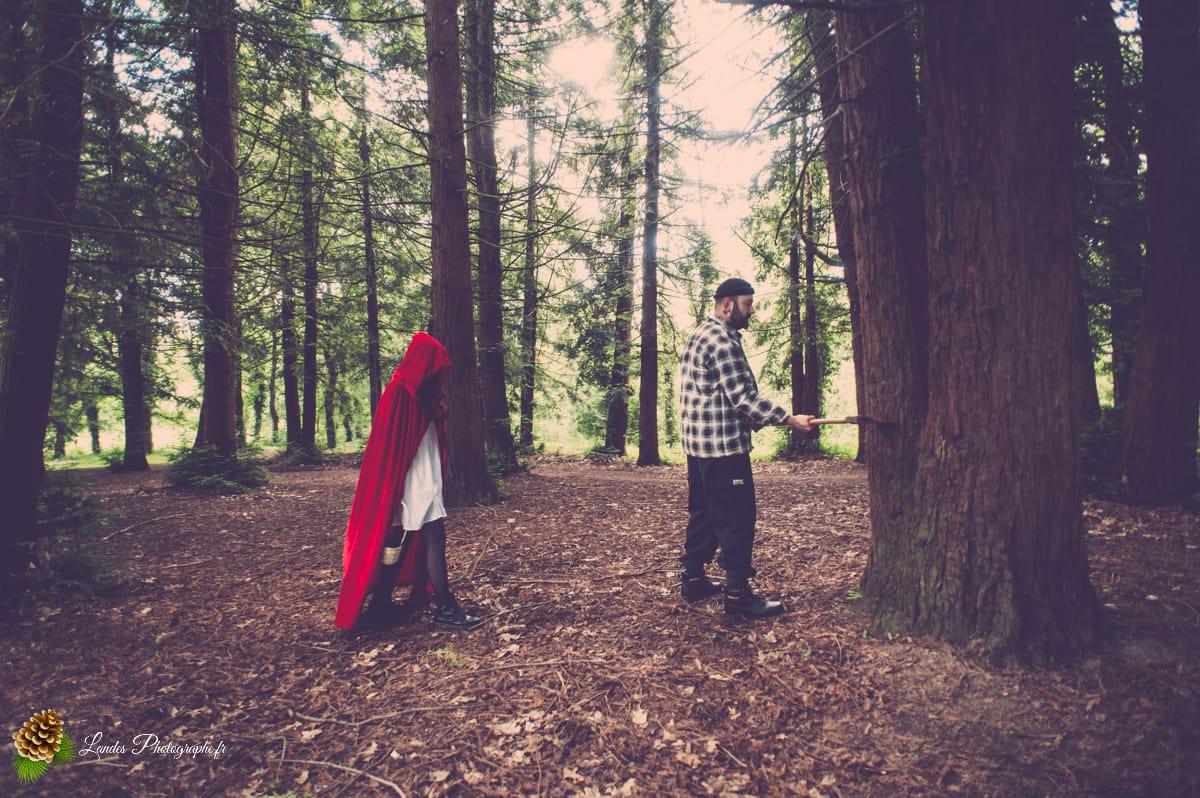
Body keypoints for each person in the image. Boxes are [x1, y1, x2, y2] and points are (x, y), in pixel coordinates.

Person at [678, 277, 814, 619]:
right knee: (737, 519)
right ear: (727, 304)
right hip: (723, 450)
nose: (750, 311)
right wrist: (789, 419)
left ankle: (693, 579)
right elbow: (744, 399)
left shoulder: (699, 333)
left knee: (705, 514)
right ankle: (738, 597)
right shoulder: (723, 340)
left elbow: (719, 396)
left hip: (698, 449)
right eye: (747, 304)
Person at [335, 332, 483, 631]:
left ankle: (380, 606)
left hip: (420, 476)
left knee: (399, 537)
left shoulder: (417, 393)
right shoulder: (400, 393)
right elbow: (391, 446)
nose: (439, 375)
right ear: (423, 364)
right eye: (435, 368)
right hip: (414, 479)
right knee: (428, 535)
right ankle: (444, 608)